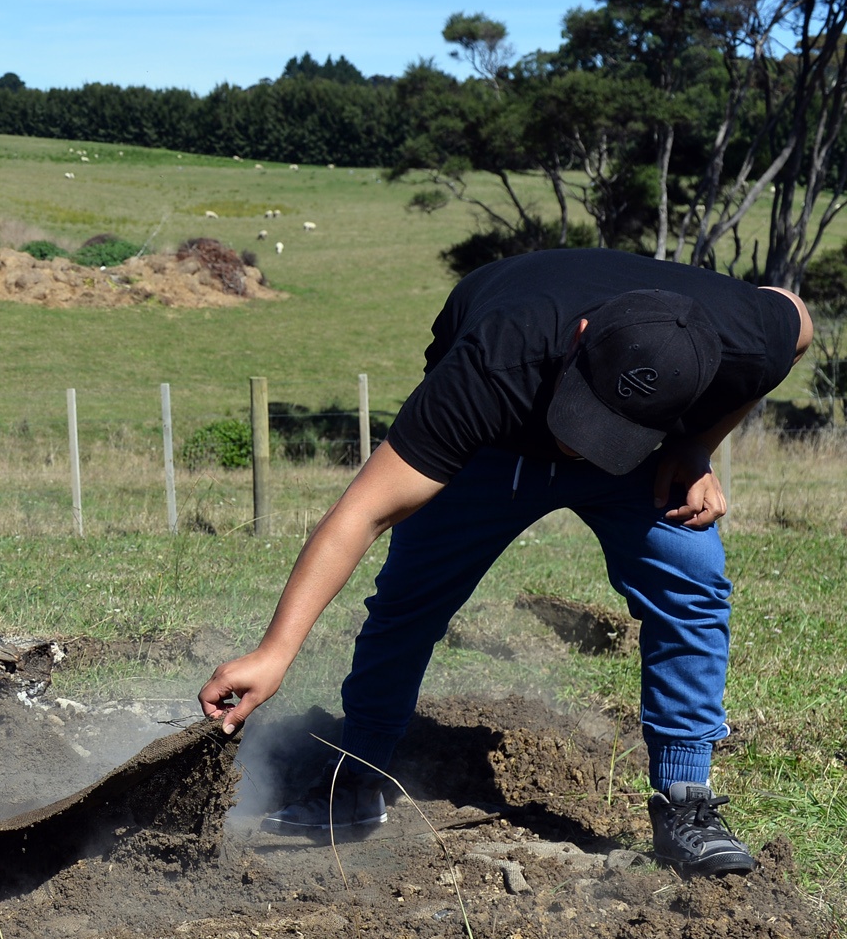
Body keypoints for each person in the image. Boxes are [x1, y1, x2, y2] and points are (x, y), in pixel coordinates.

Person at [198, 248, 811, 879]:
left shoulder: (741, 338)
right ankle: (357, 777)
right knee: (411, 600)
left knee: (692, 586)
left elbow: (799, 326)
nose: (581, 444)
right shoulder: (493, 360)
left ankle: (687, 803)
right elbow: (363, 512)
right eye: (583, 413)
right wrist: (274, 651)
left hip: (643, 459)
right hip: (499, 440)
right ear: (580, 339)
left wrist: (695, 444)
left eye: (605, 428)